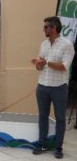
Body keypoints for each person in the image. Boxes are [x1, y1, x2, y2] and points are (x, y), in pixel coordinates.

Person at [31, 16, 74, 159]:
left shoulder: (67, 44)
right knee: (43, 116)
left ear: (53, 28)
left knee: (60, 118)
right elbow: (40, 67)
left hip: (59, 87)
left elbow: (64, 67)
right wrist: (37, 63)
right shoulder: (43, 44)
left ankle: (58, 147)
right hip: (42, 86)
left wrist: (46, 62)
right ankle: (42, 143)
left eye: (45, 27)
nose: (43, 29)